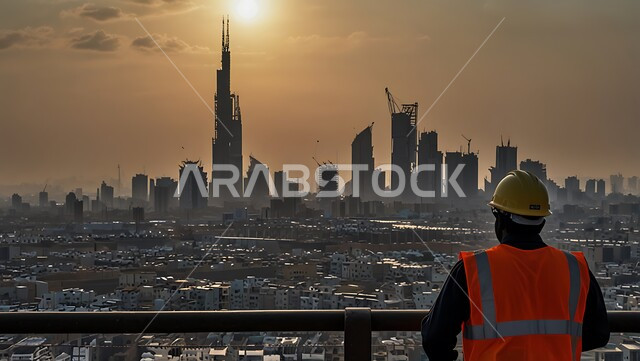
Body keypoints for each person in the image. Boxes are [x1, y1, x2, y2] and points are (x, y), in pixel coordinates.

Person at [421, 170, 609, 361]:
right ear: (542, 222)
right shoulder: (575, 268)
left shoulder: (473, 270)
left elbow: (434, 338)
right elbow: (599, 333)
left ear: (500, 219)